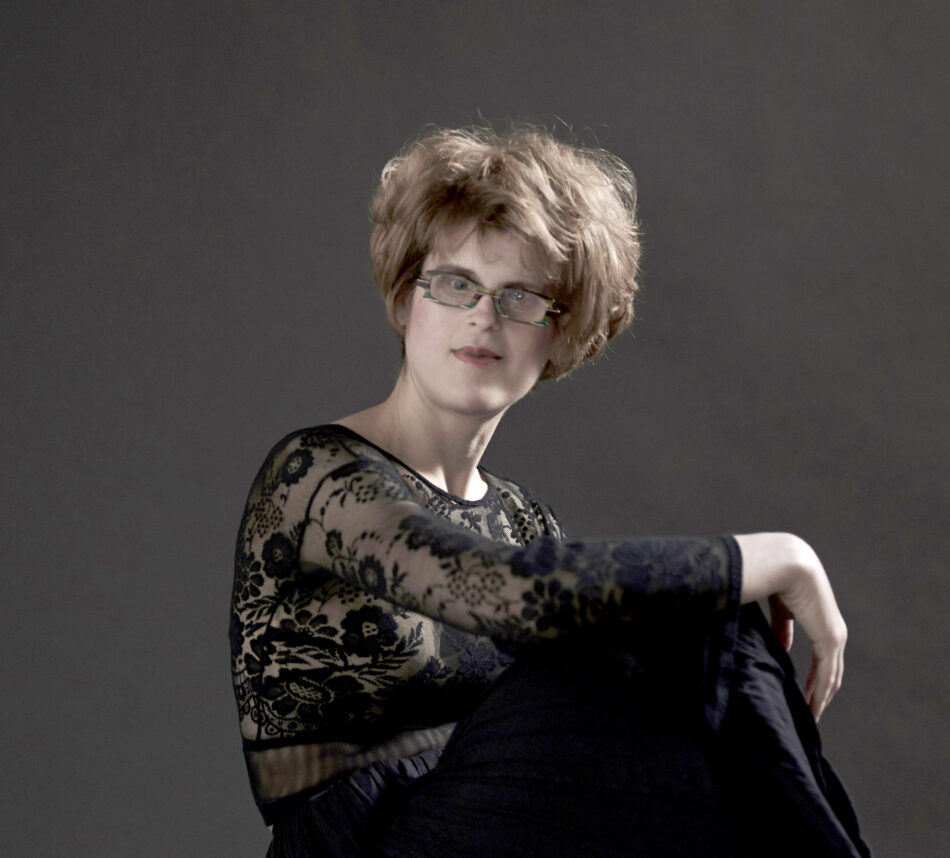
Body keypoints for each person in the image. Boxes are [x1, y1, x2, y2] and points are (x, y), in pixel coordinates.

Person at [230, 126, 870, 857]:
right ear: (406, 301)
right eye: (455, 284)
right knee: (695, 608)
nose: (483, 315)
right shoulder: (316, 473)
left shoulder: (522, 518)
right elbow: (504, 593)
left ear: (563, 334)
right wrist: (778, 557)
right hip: (357, 842)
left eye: (520, 297)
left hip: (497, 828)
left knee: (693, 632)